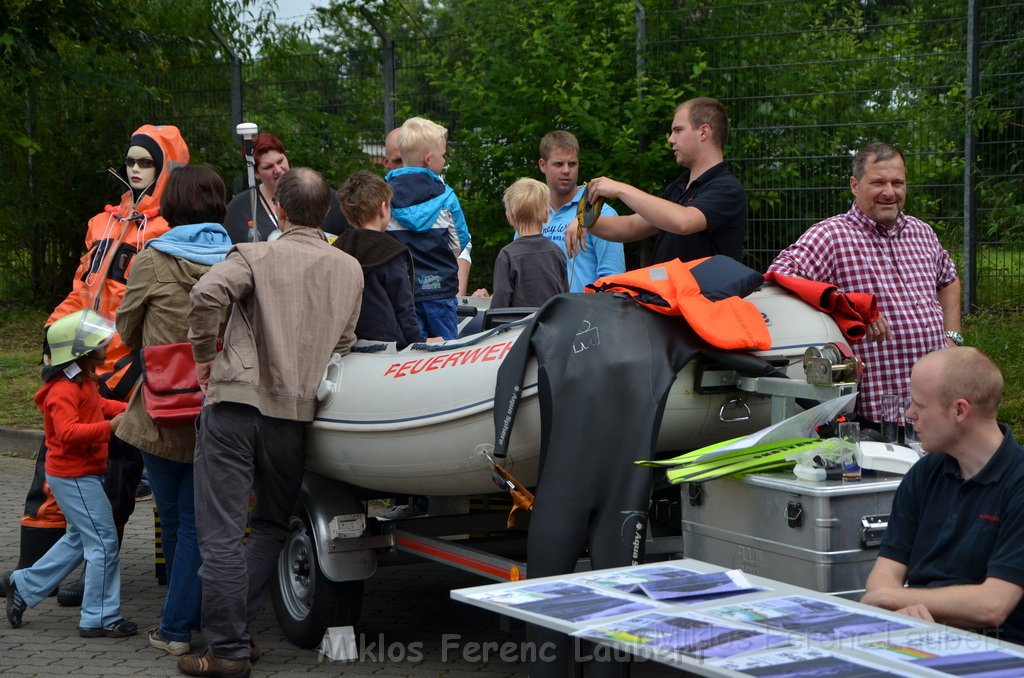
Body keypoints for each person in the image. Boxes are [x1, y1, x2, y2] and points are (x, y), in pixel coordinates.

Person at [179, 167, 362, 678]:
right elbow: (344, 344)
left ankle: (228, 650)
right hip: (293, 418)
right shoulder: (349, 269)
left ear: (278, 209)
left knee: (219, 534)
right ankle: (236, 636)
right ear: (325, 212)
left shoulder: (254, 255)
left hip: (235, 408)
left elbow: (204, 296)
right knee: (269, 528)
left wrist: (202, 356)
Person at [7, 125, 190, 606]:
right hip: (82, 360)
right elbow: (82, 289)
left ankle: (89, 580)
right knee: (55, 465)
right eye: (129, 160)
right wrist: (54, 331)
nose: (133, 169)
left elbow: (156, 307)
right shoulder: (100, 224)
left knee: (114, 474)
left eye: (145, 162)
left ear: (166, 169)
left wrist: (131, 361)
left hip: (128, 363)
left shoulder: (169, 232)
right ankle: (32, 573)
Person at [115, 165, 234, 657]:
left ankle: (176, 627)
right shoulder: (238, 260)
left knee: (175, 517)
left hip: (162, 410)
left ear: (172, 204)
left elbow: (125, 331)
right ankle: (189, 617)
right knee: (199, 521)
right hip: (222, 406)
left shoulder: (151, 261)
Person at [767, 142, 961, 426]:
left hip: (937, 405)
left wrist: (952, 337)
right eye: (878, 182)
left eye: (897, 182)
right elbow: (779, 276)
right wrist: (847, 308)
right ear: (855, 185)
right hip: (876, 412)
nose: (889, 192)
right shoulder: (831, 236)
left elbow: (949, 280)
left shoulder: (922, 233)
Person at [861, 347, 1024, 643]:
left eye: (919, 405)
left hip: (999, 652)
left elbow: (993, 604)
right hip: (919, 635)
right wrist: (899, 603)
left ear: (960, 410)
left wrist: (894, 598)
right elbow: (884, 576)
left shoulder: (1018, 483)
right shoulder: (925, 473)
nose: (909, 415)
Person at [5, 310, 137, 638]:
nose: (106, 344)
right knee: (104, 542)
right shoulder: (63, 390)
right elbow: (68, 432)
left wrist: (130, 410)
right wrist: (110, 428)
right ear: (80, 351)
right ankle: (100, 617)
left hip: (79, 474)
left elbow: (99, 406)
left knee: (81, 537)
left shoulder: (81, 378)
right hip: (74, 475)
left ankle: (23, 584)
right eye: (99, 342)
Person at [564, 97, 746, 266]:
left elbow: (684, 221)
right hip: (666, 297)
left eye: (678, 130)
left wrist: (619, 189)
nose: (670, 139)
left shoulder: (727, 188)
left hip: (704, 300)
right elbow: (630, 226)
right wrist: (585, 220)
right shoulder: (678, 188)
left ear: (703, 132)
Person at [385, 116, 472, 340]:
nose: (444, 160)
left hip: (403, 292)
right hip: (441, 289)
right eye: (443, 155)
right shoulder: (447, 196)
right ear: (428, 159)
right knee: (446, 353)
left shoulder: (384, 196)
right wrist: (442, 262)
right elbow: (460, 240)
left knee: (411, 350)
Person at [334, 170, 423, 349]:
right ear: (383, 208)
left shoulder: (336, 250)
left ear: (347, 214)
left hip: (346, 343)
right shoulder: (391, 252)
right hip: (387, 344)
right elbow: (403, 306)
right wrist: (417, 342)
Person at [223, 132, 349, 243]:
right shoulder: (239, 208)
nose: (278, 170)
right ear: (255, 173)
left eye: (280, 161)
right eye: (268, 167)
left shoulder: (322, 194)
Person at [537, 131, 624, 292]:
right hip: (537, 315)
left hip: (584, 315)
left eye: (572, 164)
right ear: (543, 165)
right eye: (558, 164)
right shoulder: (532, 213)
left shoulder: (600, 213)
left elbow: (613, 281)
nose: (566, 170)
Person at [491, 178, 568, 309]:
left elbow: (500, 302)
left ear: (509, 217)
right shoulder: (557, 252)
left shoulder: (507, 255)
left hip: (518, 327)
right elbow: (564, 295)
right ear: (546, 215)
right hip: (550, 325)